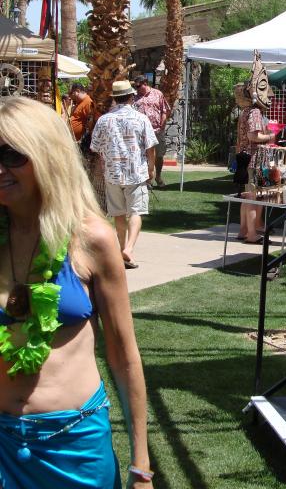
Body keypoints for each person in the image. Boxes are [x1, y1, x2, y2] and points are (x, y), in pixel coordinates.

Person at [0, 96, 153, 488]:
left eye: (12, 155)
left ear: (46, 154)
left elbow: (124, 357)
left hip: (74, 444)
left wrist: (141, 465)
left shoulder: (91, 238)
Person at [90, 81, 157, 269]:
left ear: (115, 98)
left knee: (118, 214)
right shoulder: (141, 118)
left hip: (113, 174)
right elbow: (151, 147)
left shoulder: (104, 120)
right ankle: (129, 248)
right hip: (136, 173)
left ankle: (121, 251)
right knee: (136, 212)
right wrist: (151, 168)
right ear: (131, 97)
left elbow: (95, 147)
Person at [235, 58, 276, 244]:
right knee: (254, 196)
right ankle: (252, 233)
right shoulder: (255, 112)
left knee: (247, 196)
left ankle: (244, 230)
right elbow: (253, 136)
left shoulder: (246, 111)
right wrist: (270, 136)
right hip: (253, 159)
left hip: (245, 158)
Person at [133, 75, 169, 188]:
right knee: (144, 155)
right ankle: (148, 179)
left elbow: (164, 110)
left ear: (145, 83)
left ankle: (158, 177)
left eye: (138, 86)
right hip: (141, 132)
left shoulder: (158, 94)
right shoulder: (134, 97)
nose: (136, 88)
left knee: (159, 155)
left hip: (157, 130)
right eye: (135, 86)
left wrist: (162, 126)